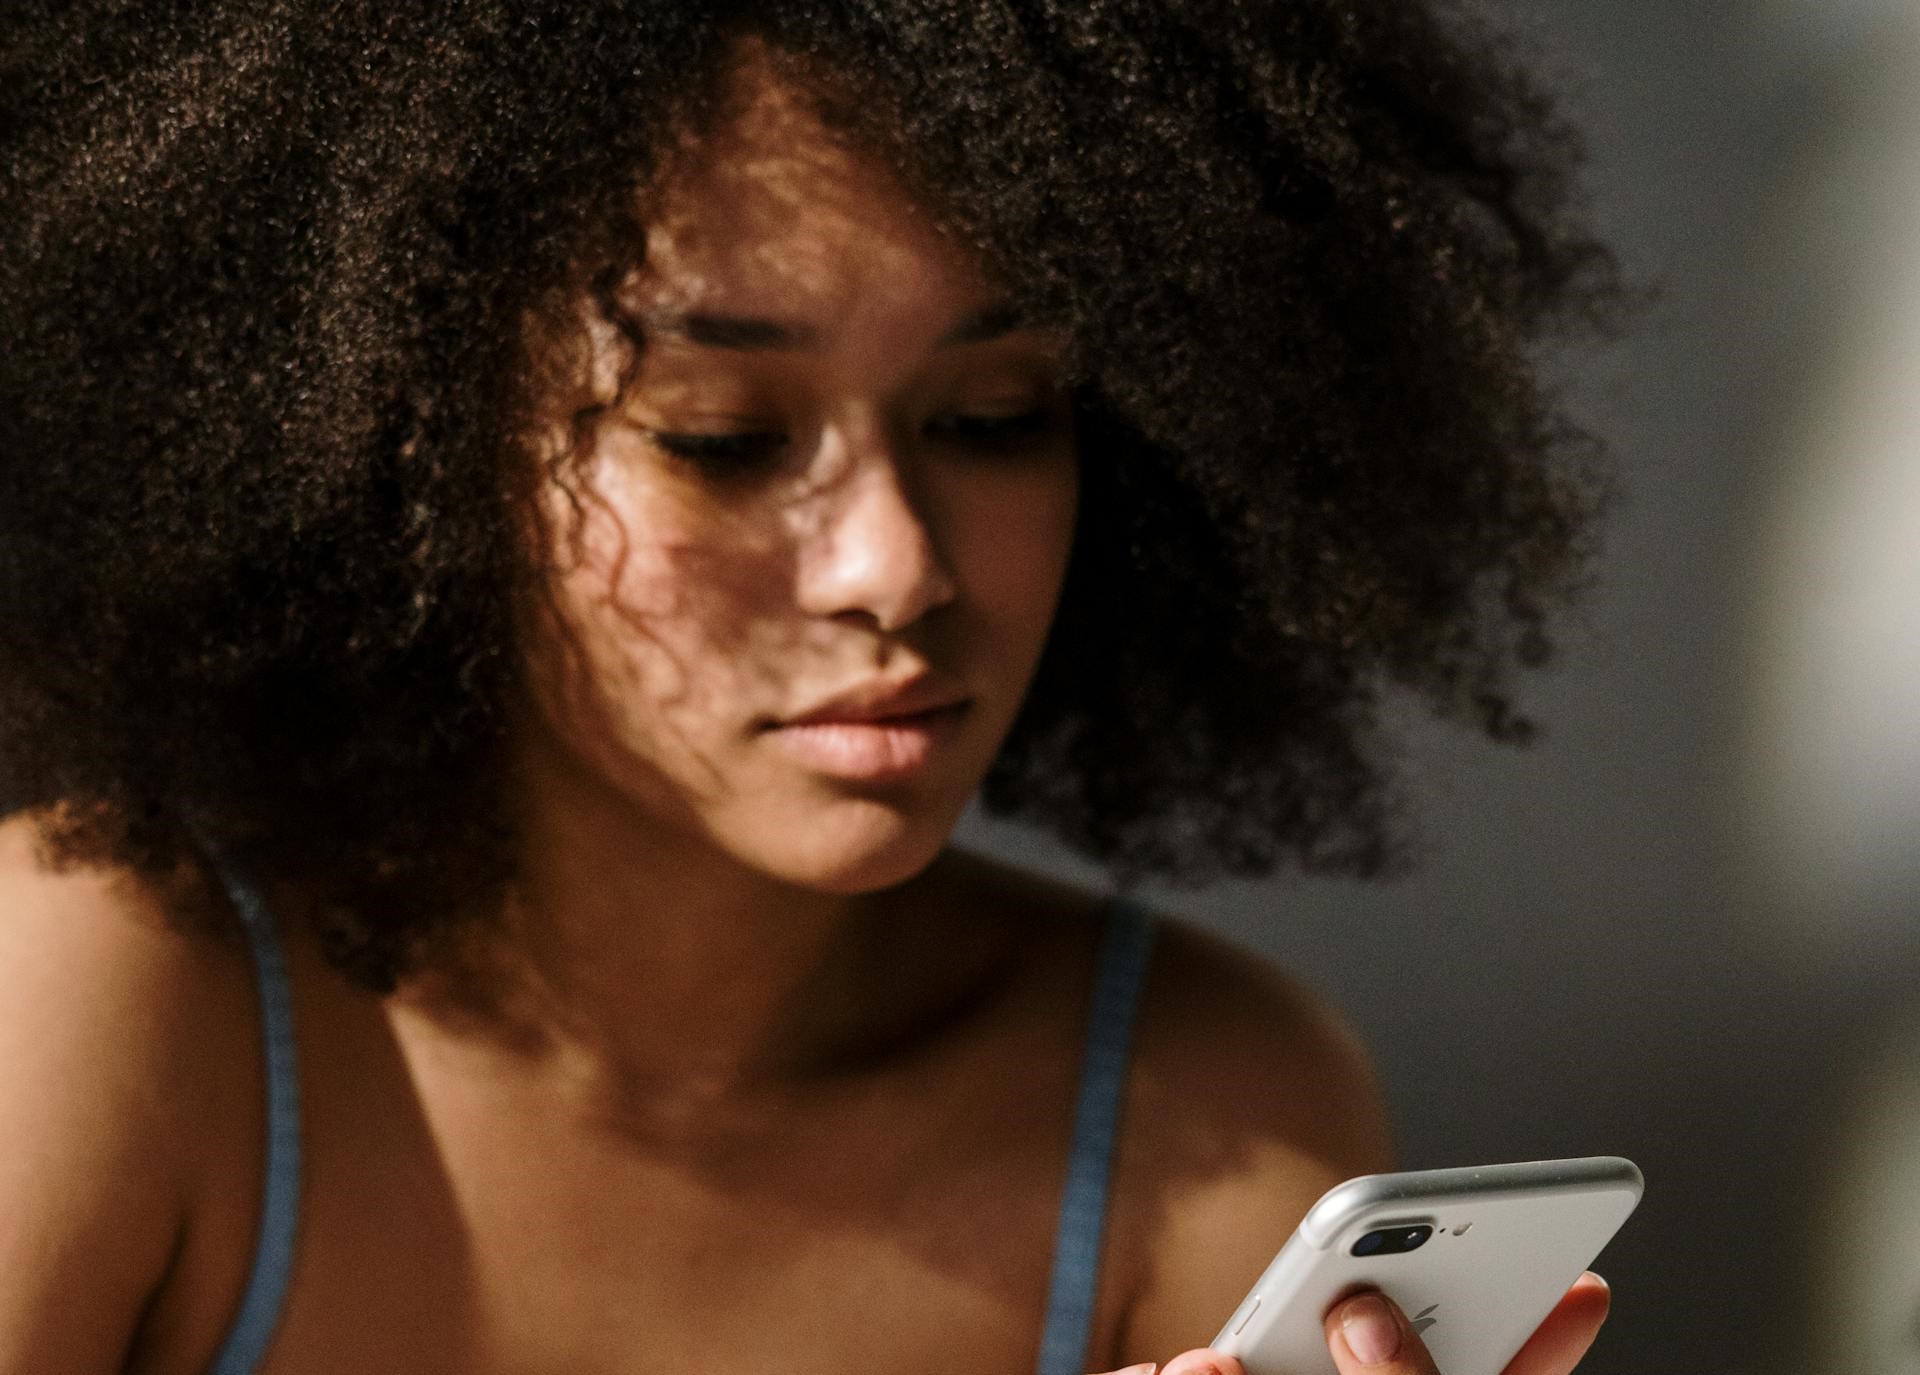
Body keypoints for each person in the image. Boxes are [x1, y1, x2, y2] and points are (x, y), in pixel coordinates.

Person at [0, 3, 1618, 1371]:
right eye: (721, 437)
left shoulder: (1206, 1113)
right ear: (404, 451)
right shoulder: (104, 1000)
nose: (895, 566)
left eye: (995, 415)